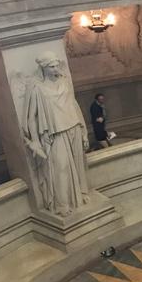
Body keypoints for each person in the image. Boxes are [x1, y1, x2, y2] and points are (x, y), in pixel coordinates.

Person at [23, 52, 89, 217]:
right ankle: (62, 204)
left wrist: (84, 131)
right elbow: (31, 118)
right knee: (61, 168)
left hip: (73, 126)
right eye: (51, 66)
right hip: (56, 133)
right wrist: (36, 141)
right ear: (43, 68)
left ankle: (80, 194)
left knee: (78, 165)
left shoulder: (65, 81)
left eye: (56, 65)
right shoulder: (38, 88)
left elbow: (74, 105)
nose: (55, 69)